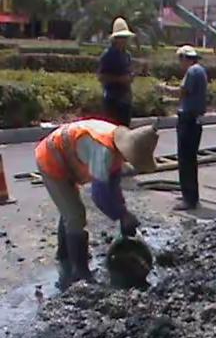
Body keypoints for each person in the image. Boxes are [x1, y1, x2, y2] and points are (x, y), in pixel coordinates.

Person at [35, 118, 159, 290]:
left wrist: (122, 211)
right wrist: (122, 215)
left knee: (69, 210)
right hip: (51, 160)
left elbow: (112, 186)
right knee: (75, 215)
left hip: (68, 158)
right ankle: (80, 273)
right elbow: (99, 195)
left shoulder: (117, 145)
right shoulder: (104, 150)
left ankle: (64, 256)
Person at [157, 45, 208, 211]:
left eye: (180, 60)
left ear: (185, 58)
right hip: (195, 120)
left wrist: (164, 88)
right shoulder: (200, 71)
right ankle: (191, 195)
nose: (180, 64)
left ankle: (189, 199)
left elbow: (182, 92)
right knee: (190, 160)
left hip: (188, 121)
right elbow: (190, 97)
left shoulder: (192, 72)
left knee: (185, 160)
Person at [98, 17, 135, 127]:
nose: (124, 40)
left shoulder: (127, 55)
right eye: (121, 37)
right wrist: (120, 79)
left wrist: (131, 76)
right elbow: (101, 77)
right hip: (112, 100)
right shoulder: (107, 56)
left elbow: (128, 73)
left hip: (125, 100)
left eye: (125, 37)